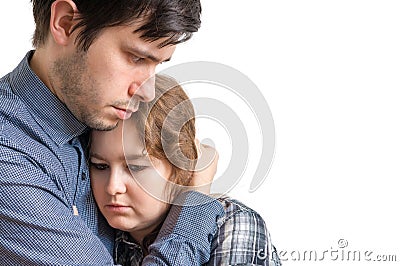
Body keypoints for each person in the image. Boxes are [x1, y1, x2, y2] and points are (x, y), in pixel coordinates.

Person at [0, 1, 224, 265]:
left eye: (157, 64)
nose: (147, 91)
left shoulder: (94, 117)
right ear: (66, 23)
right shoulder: (9, 155)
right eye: (136, 58)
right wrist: (195, 197)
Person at [89, 74, 282, 266]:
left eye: (136, 167)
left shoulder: (233, 226)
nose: (113, 187)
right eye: (100, 166)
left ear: (181, 167)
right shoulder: (91, 230)